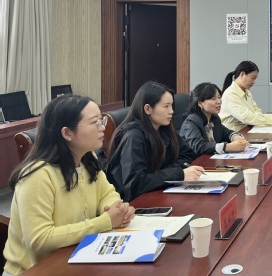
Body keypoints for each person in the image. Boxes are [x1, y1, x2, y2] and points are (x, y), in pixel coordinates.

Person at [3, 95, 134, 276]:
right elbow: (39, 240)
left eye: (101, 120)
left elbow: (106, 193)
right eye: (94, 122)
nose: (102, 127)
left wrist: (116, 209)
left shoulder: (87, 158)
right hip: (34, 270)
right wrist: (105, 221)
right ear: (67, 133)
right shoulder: (37, 175)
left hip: (74, 259)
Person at [106, 81, 204, 201]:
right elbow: (135, 184)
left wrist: (168, 172)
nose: (171, 111)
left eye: (172, 106)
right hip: (137, 203)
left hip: (160, 192)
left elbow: (187, 154)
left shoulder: (163, 128)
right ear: (148, 109)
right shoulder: (133, 137)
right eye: (166, 106)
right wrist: (178, 174)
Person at [180, 82, 250, 155]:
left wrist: (235, 137)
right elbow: (199, 147)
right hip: (195, 160)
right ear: (200, 103)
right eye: (213, 99)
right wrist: (227, 147)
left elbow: (226, 132)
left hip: (211, 157)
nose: (219, 101)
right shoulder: (191, 122)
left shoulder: (214, 118)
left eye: (219, 97)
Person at [219, 61, 272, 132]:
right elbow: (246, 117)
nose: (254, 82)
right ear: (242, 74)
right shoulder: (230, 94)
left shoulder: (247, 93)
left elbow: (256, 112)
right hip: (232, 134)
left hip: (246, 130)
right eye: (253, 78)